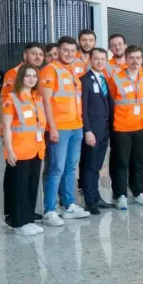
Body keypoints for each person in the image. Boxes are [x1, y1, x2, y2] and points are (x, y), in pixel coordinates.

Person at [40, 36, 90, 226]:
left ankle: (69, 205)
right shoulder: (50, 70)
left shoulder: (72, 71)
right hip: (59, 128)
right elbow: (45, 101)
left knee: (70, 168)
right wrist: (52, 127)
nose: (69, 54)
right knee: (56, 169)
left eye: (72, 51)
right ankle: (49, 210)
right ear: (58, 51)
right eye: (65, 50)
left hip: (76, 126)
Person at [107, 45, 143, 209]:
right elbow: (111, 102)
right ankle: (121, 195)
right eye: (132, 58)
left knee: (139, 162)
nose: (135, 61)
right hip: (122, 127)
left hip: (142, 125)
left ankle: (138, 192)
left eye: (138, 58)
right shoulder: (116, 78)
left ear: (142, 59)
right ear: (126, 60)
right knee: (121, 163)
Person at [1, 64, 46, 236]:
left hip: (36, 149)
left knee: (32, 186)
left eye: (34, 76)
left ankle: (28, 219)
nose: (31, 79)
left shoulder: (37, 98)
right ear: (21, 77)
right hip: (20, 150)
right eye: (28, 76)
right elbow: (6, 127)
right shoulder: (11, 98)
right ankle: (19, 222)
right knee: (19, 187)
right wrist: (9, 151)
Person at [79, 48, 114, 215]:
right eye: (96, 59)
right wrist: (87, 130)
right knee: (89, 166)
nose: (100, 62)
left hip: (104, 129)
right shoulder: (85, 80)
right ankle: (89, 201)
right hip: (92, 131)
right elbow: (83, 108)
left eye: (103, 59)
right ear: (90, 60)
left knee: (97, 166)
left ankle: (96, 197)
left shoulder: (102, 78)